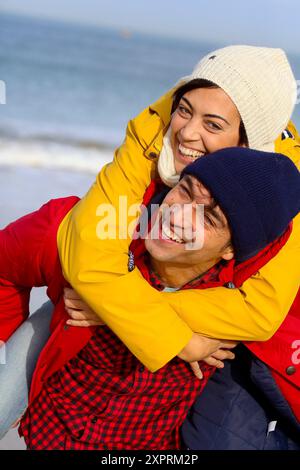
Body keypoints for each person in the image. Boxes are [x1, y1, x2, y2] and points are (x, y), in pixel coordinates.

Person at [0, 44, 299, 438]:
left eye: (213, 125)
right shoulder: (141, 157)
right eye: (185, 110)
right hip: (52, 426)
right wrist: (177, 338)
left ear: (248, 146)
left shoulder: (273, 210)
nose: (187, 132)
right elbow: (82, 258)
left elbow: (259, 312)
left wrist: (116, 307)